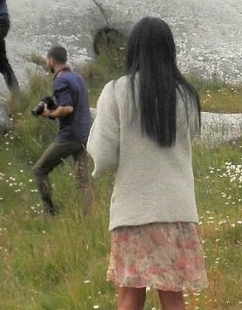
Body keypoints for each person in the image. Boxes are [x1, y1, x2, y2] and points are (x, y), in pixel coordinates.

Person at [87, 17, 207, 310]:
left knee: (130, 294)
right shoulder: (186, 95)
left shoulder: (116, 91)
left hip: (134, 209)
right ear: (170, 50)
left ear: (134, 49)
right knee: (172, 295)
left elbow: (102, 157)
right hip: (176, 209)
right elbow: (190, 135)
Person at [32, 45, 93, 216]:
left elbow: (67, 108)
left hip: (70, 136)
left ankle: (51, 213)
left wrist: (49, 114)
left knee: (39, 170)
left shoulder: (60, 80)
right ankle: (90, 215)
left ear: (51, 61)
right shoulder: (77, 77)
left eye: (47, 61)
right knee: (83, 181)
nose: (47, 64)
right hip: (84, 134)